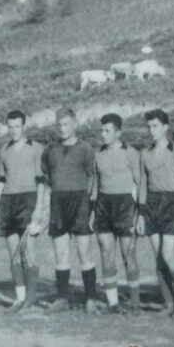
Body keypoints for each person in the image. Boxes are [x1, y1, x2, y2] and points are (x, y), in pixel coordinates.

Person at [40, 107, 99, 313]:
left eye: (66, 124)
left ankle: (91, 298)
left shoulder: (85, 148)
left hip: (80, 200)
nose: (63, 129)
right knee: (61, 252)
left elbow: (92, 177)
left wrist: (90, 204)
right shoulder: (50, 150)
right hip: (58, 201)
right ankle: (62, 298)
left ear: (74, 124)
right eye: (60, 125)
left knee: (84, 251)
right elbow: (47, 176)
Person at [137, 109, 174, 316]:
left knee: (168, 254)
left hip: (173, 204)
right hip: (152, 206)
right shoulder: (145, 153)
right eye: (149, 126)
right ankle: (168, 303)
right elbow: (143, 185)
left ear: (165, 127)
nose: (152, 131)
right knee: (158, 257)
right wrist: (141, 214)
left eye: (156, 126)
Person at [0, 110, 45, 312]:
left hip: (28, 200)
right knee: (13, 252)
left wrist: (39, 208)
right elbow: (1, 181)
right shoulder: (4, 149)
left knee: (28, 251)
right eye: (10, 126)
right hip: (8, 201)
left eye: (17, 126)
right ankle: (20, 298)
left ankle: (31, 299)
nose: (13, 130)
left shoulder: (36, 148)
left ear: (24, 126)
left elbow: (41, 181)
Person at [93, 113, 142, 314]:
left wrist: (140, 212)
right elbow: (95, 185)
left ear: (118, 132)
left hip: (125, 204)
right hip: (104, 205)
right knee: (106, 252)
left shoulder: (131, 153)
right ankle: (112, 303)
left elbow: (139, 184)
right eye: (102, 130)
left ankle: (135, 302)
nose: (103, 134)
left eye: (107, 131)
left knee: (128, 253)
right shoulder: (98, 154)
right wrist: (92, 212)